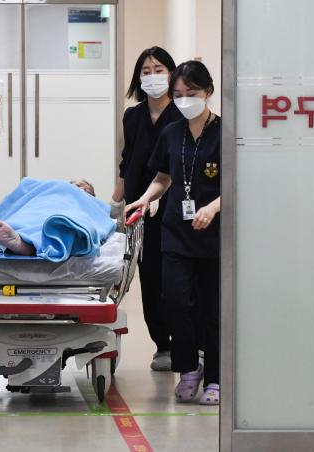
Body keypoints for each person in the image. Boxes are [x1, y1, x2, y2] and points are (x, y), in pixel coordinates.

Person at [126, 60, 221, 405]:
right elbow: (163, 178)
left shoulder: (223, 133)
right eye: (178, 94)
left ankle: (215, 378)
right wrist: (144, 198)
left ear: (208, 92)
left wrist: (213, 207)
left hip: (213, 236)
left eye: (191, 93)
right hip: (175, 233)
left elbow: (238, 183)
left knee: (212, 310)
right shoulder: (171, 133)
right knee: (176, 303)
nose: (183, 100)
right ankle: (188, 369)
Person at [110, 46, 182, 371]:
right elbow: (129, 162)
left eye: (159, 69)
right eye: (146, 71)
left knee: (177, 278)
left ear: (172, 73)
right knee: (149, 277)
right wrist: (116, 199)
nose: (153, 76)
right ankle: (162, 345)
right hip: (140, 208)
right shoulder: (133, 116)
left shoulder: (182, 114)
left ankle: (187, 341)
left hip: (176, 207)